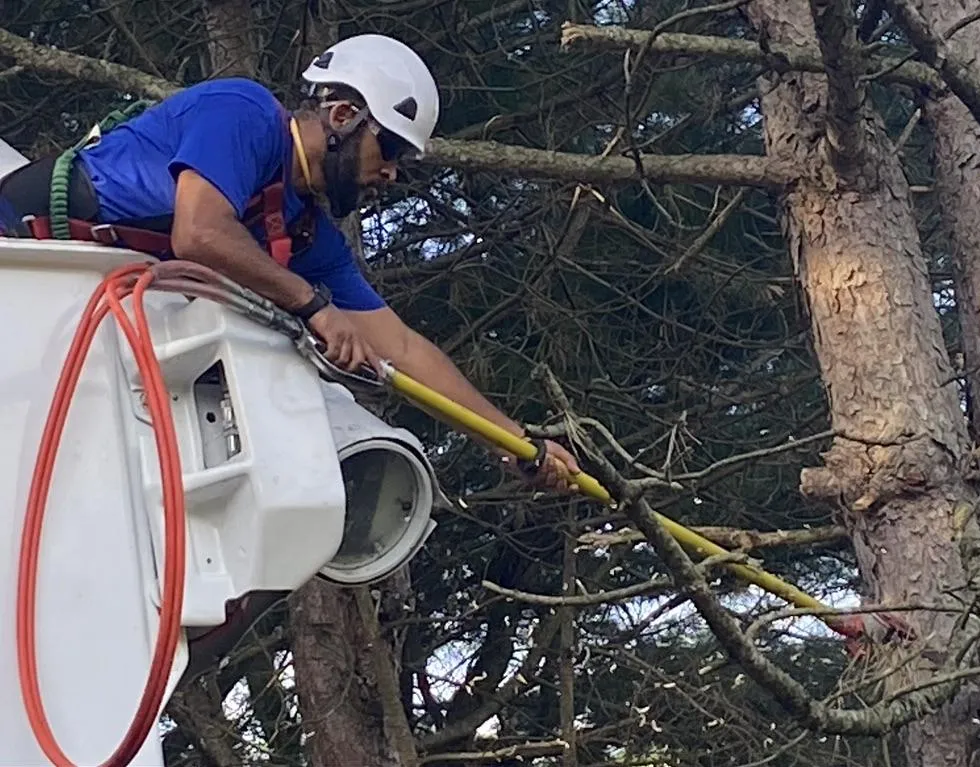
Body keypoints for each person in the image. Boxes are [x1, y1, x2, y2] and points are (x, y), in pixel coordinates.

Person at [0, 34, 581, 493]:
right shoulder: (244, 112)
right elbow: (200, 232)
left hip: (65, 313)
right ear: (344, 115)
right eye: (392, 149)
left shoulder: (304, 234)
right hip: (21, 255)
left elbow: (401, 348)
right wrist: (314, 307)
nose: (393, 173)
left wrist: (516, 442)